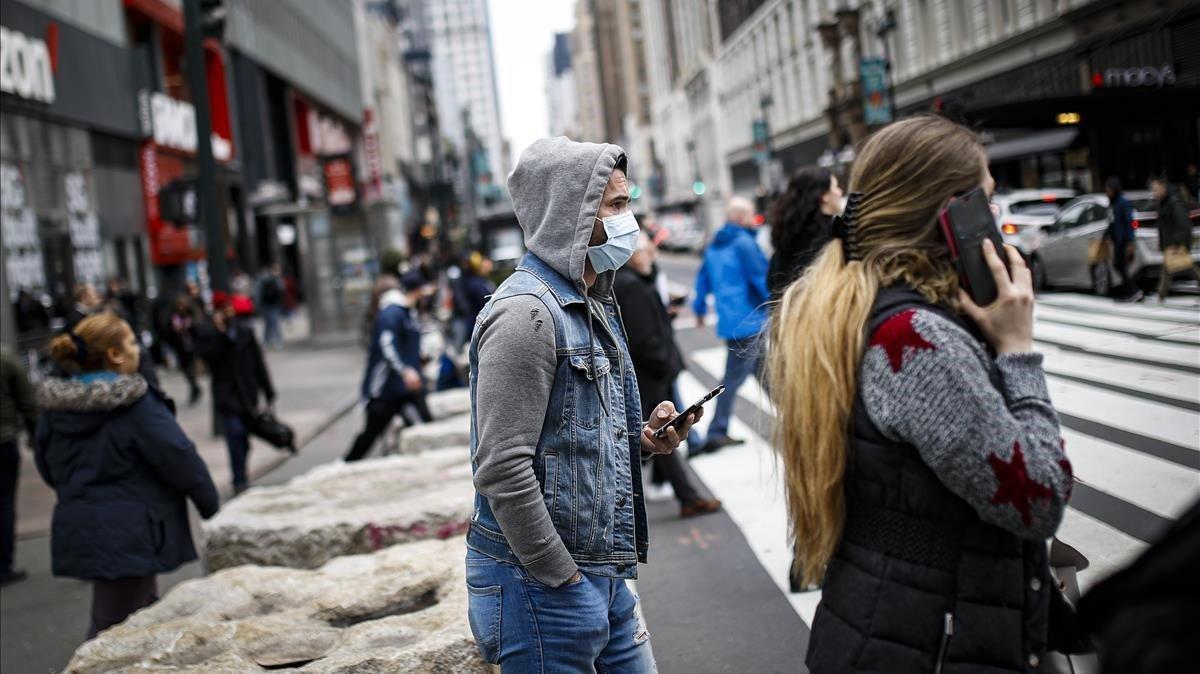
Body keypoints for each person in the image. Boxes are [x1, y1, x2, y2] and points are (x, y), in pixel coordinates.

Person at [767, 116, 1074, 673]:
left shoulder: (865, 308)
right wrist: (1018, 351)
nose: (998, 222)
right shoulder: (915, 340)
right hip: (937, 642)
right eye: (990, 201)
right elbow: (1038, 499)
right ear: (955, 215)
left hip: (896, 627)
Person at [465, 137, 698, 671]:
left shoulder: (591, 301)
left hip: (602, 573)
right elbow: (500, 468)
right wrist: (563, 577)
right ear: (569, 213)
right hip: (539, 587)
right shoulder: (525, 315)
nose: (629, 219)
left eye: (627, 202)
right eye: (614, 206)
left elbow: (569, 442)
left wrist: (641, 439)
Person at [34, 313, 219, 638]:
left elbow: (46, 464)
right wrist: (210, 504)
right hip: (132, 530)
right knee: (109, 629)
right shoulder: (134, 403)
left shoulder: (56, 406)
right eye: (132, 342)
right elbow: (178, 455)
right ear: (115, 354)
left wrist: (79, 493)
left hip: (85, 523)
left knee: (141, 613)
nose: (137, 349)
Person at [614, 231, 722, 519]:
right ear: (635, 256)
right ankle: (688, 497)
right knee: (662, 431)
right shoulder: (631, 285)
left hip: (652, 370)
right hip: (652, 373)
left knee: (657, 432)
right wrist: (664, 363)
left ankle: (676, 490)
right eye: (648, 252)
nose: (653, 256)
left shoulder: (633, 281)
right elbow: (643, 338)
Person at [691, 196, 770, 456]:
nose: (753, 217)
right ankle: (717, 431)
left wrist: (700, 309)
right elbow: (760, 279)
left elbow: (703, 279)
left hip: (731, 320)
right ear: (739, 217)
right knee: (733, 378)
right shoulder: (745, 243)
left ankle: (797, 418)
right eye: (750, 214)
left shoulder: (714, 244)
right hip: (749, 321)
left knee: (765, 373)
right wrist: (777, 305)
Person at [195, 291, 276, 494]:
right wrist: (220, 334)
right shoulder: (208, 333)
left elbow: (258, 363)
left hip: (247, 393)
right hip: (227, 393)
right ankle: (239, 480)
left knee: (244, 438)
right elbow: (208, 359)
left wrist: (268, 389)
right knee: (235, 432)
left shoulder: (244, 332)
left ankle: (242, 476)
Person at [345, 273, 431, 462]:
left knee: (422, 427)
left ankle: (347, 463)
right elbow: (388, 346)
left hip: (401, 388)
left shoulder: (407, 312)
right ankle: (345, 464)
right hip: (387, 390)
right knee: (370, 435)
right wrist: (406, 371)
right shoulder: (393, 313)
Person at [767, 167, 844, 299]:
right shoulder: (835, 233)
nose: (840, 192)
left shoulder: (785, 235)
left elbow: (771, 283)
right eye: (836, 187)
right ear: (824, 196)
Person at [1, 351, 37, 586]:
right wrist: (37, 435)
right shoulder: (5, 358)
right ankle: (3, 565)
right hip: (3, 441)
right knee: (3, 503)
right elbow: (27, 400)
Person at [1151, 176, 1200, 301]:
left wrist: (1177, 242)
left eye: (1156, 190)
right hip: (1170, 242)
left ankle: (1161, 295)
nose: (1154, 193)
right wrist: (1161, 243)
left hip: (1177, 242)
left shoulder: (1173, 202)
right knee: (1169, 268)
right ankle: (1161, 295)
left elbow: (1183, 223)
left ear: (1164, 188)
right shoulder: (1162, 203)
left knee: (1187, 266)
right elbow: (1162, 226)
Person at [1104, 177, 1143, 302]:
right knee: (1118, 265)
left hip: (1124, 241)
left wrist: (1131, 242)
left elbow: (1128, 223)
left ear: (1115, 189)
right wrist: (1107, 236)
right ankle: (1130, 291)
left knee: (1121, 266)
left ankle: (1133, 291)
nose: (1107, 191)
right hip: (1117, 241)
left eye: (1109, 189)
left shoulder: (1122, 202)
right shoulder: (1113, 203)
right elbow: (1112, 222)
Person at [163, 297, 203, 405]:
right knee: (185, 369)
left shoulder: (192, 316)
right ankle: (195, 387)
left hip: (191, 347)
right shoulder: (173, 317)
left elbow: (199, 328)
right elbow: (166, 330)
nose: (181, 308)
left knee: (191, 368)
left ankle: (195, 388)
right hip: (180, 347)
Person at [256, 265, 285, 349]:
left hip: (266, 304)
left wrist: (258, 305)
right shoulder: (276, 280)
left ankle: (267, 341)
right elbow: (281, 291)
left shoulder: (262, 279)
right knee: (274, 323)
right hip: (274, 304)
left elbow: (258, 293)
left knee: (268, 324)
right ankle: (277, 341)